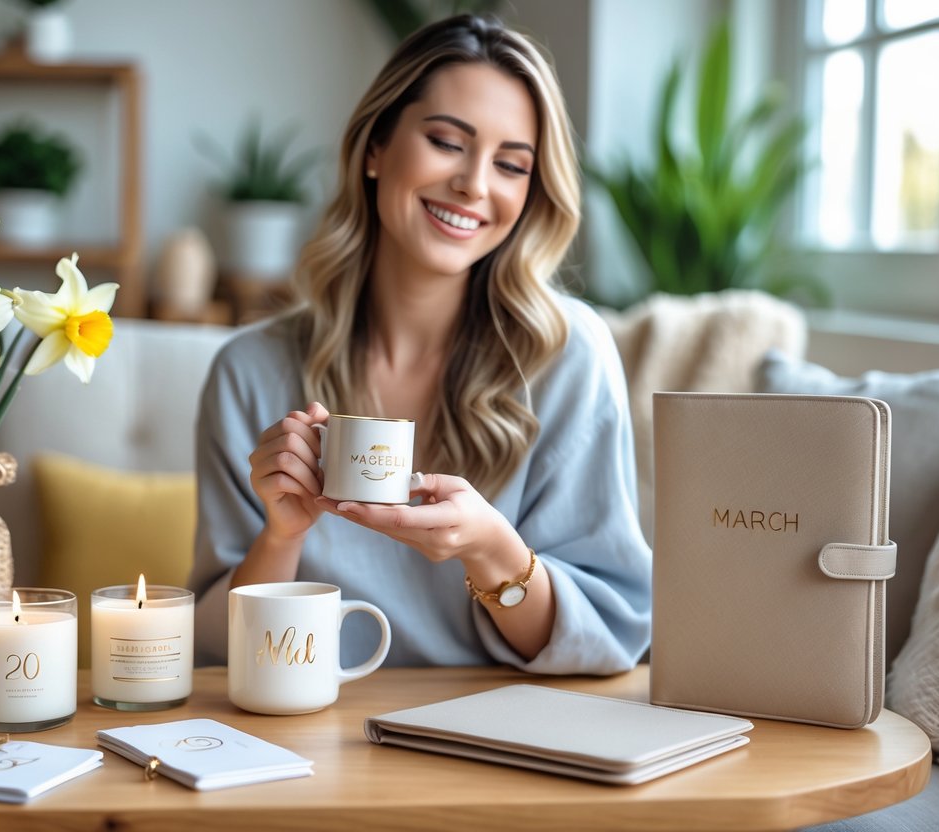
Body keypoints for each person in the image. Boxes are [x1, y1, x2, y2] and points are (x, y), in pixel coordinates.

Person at [189, 14, 650, 673]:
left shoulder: (568, 357)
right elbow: (219, 648)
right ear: (375, 147)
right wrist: (282, 534)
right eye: (445, 141)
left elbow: (605, 637)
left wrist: (492, 550)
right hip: (308, 736)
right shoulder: (249, 371)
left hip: (503, 740)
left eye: (511, 165)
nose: (474, 184)